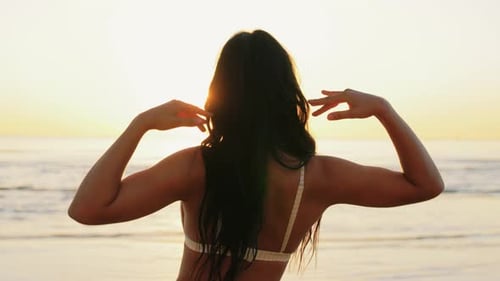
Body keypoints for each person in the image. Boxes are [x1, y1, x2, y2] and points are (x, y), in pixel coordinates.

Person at [68, 30, 444, 281]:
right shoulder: (316, 177)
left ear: (221, 92)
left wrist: (141, 123)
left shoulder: (196, 168)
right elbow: (425, 184)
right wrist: (383, 110)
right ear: (287, 92)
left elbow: (87, 209)